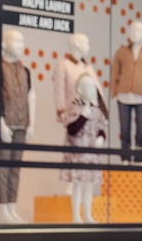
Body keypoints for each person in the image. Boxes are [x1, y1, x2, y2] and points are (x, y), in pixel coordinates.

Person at [0, 28, 35, 224]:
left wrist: (32, 123)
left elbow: (31, 97)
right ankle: (2, 211)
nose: (21, 46)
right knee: (2, 167)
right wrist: (0, 124)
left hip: (21, 125)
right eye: (16, 41)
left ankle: (12, 209)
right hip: (5, 125)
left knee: (15, 168)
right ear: (5, 45)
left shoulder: (25, 71)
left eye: (22, 42)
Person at [60, 72, 109, 223]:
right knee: (78, 186)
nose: (93, 91)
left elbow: (101, 128)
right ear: (80, 90)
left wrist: (101, 137)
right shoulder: (73, 108)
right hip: (78, 154)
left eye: (93, 87)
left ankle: (87, 214)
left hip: (91, 154)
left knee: (89, 187)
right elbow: (71, 129)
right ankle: (76, 215)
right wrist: (83, 116)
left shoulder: (96, 110)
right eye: (89, 88)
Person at [112, 20, 142, 164]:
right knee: (124, 128)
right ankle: (125, 156)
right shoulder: (121, 53)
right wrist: (114, 92)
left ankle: (139, 157)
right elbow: (115, 73)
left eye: (138, 31)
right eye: (132, 31)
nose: (134, 34)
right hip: (123, 95)